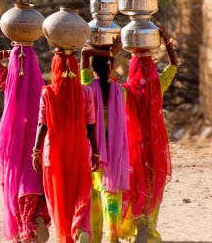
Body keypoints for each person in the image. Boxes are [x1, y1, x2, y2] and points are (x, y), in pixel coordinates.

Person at [32, 48, 99, 243]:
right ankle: (79, 228)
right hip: (79, 150)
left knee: (58, 195)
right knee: (80, 191)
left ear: (54, 68)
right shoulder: (85, 92)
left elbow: (42, 124)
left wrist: (36, 149)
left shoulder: (47, 93)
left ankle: (66, 235)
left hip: (54, 152)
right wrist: (95, 152)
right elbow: (91, 125)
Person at [0, 45, 50, 243]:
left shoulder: (8, 80)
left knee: (16, 182)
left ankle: (25, 227)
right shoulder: (44, 86)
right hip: (36, 137)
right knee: (35, 179)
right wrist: (27, 49)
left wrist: (13, 52)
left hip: (13, 140)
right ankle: (38, 216)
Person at [121, 24, 178, 243]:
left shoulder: (125, 90)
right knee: (152, 183)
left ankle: (138, 224)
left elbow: (105, 80)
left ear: (132, 68)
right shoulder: (159, 85)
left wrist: (113, 51)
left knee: (135, 184)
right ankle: (149, 225)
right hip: (155, 145)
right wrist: (166, 40)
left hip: (133, 146)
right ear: (152, 69)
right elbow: (173, 64)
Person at [80, 38, 129, 243]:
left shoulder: (88, 87)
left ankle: (93, 238)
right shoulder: (121, 91)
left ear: (93, 70)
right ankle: (113, 235)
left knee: (93, 197)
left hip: (94, 150)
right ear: (110, 70)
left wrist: (108, 53)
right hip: (115, 150)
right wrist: (113, 54)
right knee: (112, 195)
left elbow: (84, 54)